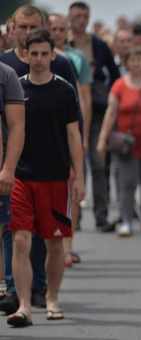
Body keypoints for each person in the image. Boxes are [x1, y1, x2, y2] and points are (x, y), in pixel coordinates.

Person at [0, 4, 80, 315]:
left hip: (55, 175)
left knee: (52, 242)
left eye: (44, 54)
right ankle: (19, 300)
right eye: (33, 53)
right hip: (21, 172)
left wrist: (79, 174)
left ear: (51, 54)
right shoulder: (11, 78)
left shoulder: (63, 81)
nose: (38, 59)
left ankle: (47, 294)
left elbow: (74, 131)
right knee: (19, 237)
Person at [69, 1, 120, 232]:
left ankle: (101, 215)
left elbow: (115, 75)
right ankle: (73, 218)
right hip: (69, 110)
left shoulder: (98, 45)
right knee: (73, 164)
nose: (80, 20)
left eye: (84, 16)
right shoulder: (61, 45)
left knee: (99, 163)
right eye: (77, 16)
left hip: (97, 108)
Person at [96, 47, 141, 237]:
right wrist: (102, 138)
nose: (136, 63)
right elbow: (111, 112)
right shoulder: (119, 85)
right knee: (126, 183)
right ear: (127, 63)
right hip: (125, 143)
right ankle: (126, 220)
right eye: (132, 60)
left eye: (139, 59)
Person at [48, 12, 93, 267]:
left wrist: (82, 133)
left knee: (72, 187)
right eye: (52, 28)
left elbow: (82, 96)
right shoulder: (36, 55)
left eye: (60, 29)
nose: (57, 33)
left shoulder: (72, 60)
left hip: (70, 127)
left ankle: (68, 244)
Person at [0, 62, 24, 301]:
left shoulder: (6, 75)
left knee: (7, 228)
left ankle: (10, 288)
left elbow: (17, 126)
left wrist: (8, 168)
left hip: (2, 168)